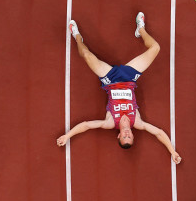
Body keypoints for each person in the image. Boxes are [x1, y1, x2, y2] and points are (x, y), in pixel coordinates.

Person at [56, 14, 181, 162]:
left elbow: (87, 125)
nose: (127, 134)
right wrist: (172, 151)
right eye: (130, 137)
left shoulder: (110, 122)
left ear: (119, 135)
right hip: (129, 78)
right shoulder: (137, 122)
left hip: (110, 79)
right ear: (133, 135)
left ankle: (77, 37)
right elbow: (158, 133)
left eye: (124, 137)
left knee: (86, 55)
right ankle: (140, 29)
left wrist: (67, 136)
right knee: (156, 48)